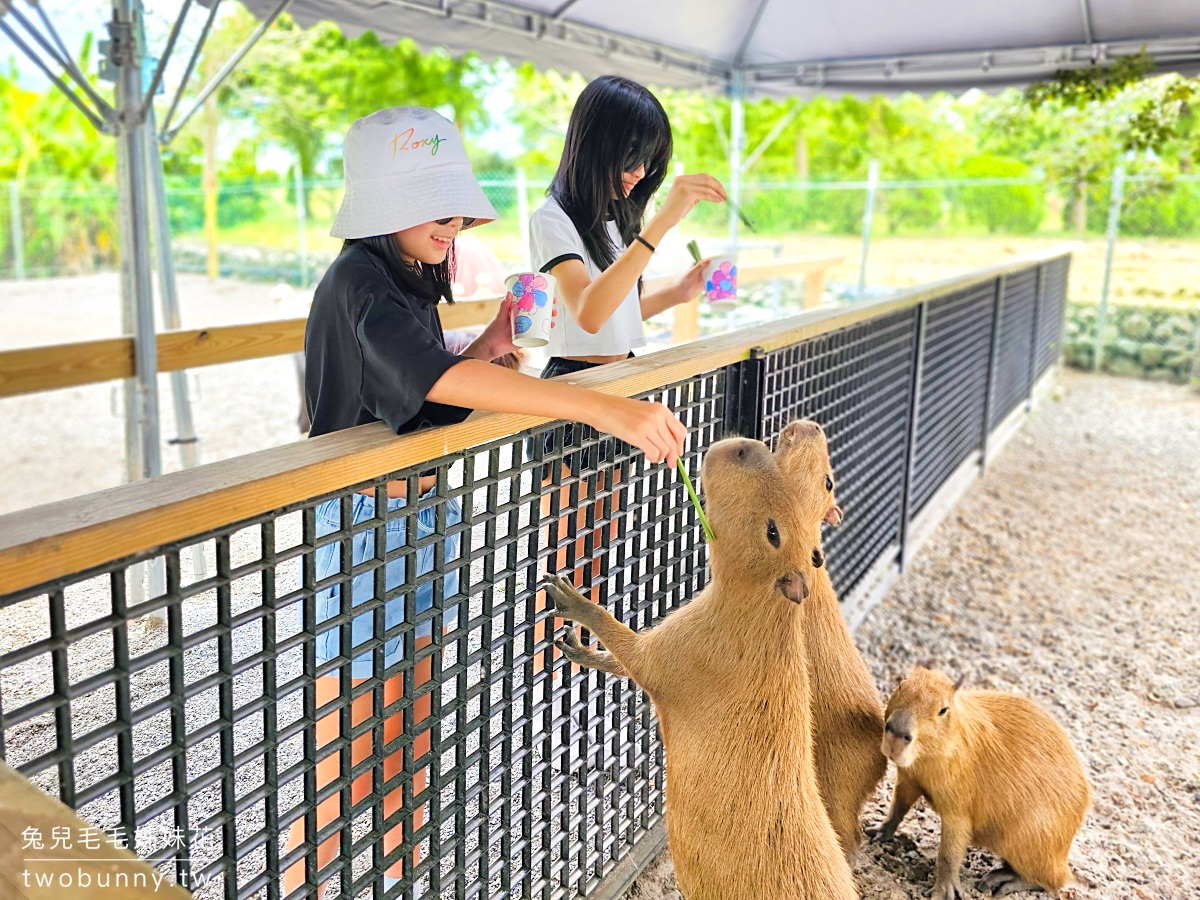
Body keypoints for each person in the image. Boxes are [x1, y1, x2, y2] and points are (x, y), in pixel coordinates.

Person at [282, 106, 686, 898]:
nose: (456, 223)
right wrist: (599, 406)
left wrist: (490, 340)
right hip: (362, 526)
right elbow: (429, 382)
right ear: (384, 206)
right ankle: (307, 875)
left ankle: (403, 869)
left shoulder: (406, 278)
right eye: (439, 208)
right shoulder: (355, 283)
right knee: (345, 742)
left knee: (413, 725)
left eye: (457, 208)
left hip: (422, 518)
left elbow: (423, 381)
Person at [527, 75, 725, 659]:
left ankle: (590, 657)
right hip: (575, 385)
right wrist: (661, 223)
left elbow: (620, 307)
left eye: (648, 162)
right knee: (565, 545)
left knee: (605, 539)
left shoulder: (616, 218)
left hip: (624, 383)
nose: (638, 174)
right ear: (594, 144)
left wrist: (679, 292)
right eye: (630, 157)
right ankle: (549, 660)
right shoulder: (552, 218)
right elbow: (587, 313)